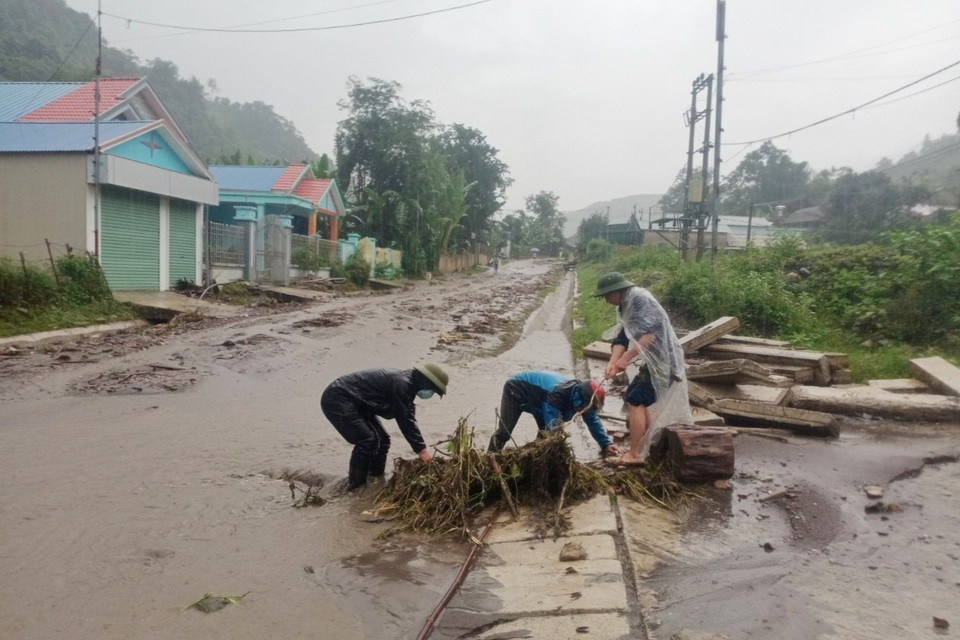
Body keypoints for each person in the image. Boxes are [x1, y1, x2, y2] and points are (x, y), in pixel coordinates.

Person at [594, 272, 692, 464]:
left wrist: (626, 359)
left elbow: (649, 336)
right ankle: (642, 447)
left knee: (636, 399)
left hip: (666, 362)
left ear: (618, 291)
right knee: (635, 396)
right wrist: (613, 362)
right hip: (654, 361)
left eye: (607, 295)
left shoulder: (640, 301)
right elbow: (622, 338)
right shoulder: (625, 305)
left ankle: (635, 454)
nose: (606, 300)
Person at [321, 363, 449, 489]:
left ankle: (375, 478)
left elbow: (408, 417)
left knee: (383, 440)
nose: (430, 394)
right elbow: (405, 420)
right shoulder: (402, 384)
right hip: (338, 398)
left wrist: (419, 447)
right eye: (433, 390)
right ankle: (355, 486)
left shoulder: (407, 386)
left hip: (358, 403)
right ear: (425, 381)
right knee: (366, 440)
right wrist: (422, 450)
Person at [487, 370, 622, 457]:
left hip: (539, 398)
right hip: (516, 390)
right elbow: (553, 429)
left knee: (544, 435)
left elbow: (592, 420)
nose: (584, 411)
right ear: (579, 399)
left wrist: (606, 443)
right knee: (505, 431)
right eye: (585, 407)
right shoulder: (558, 395)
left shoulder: (584, 399)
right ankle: (490, 458)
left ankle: (534, 460)